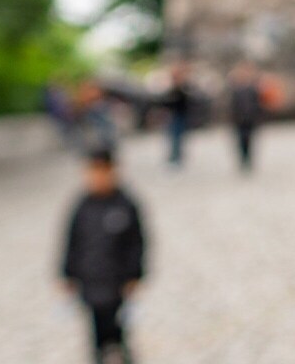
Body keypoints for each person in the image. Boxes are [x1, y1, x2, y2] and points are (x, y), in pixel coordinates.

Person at [59, 149, 147, 364]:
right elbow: (72, 241)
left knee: (117, 331)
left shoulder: (125, 205)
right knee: (95, 332)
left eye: (102, 171)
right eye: (92, 172)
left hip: (117, 283)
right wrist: (67, 272)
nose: (97, 177)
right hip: (89, 281)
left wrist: (135, 275)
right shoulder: (81, 206)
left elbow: (137, 244)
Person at [226, 63, 265, 173]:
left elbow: (258, 104)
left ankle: (248, 159)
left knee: (249, 140)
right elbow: (232, 106)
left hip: (250, 119)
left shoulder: (253, 89)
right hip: (239, 120)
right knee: (240, 140)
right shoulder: (235, 91)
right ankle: (243, 159)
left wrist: (257, 116)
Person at [160, 66, 196, 169]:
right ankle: (174, 158)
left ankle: (176, 158)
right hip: (173, 116)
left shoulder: (183, 88)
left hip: (180, 116)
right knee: (173, 138)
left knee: (178, 138)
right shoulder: (172, 88)